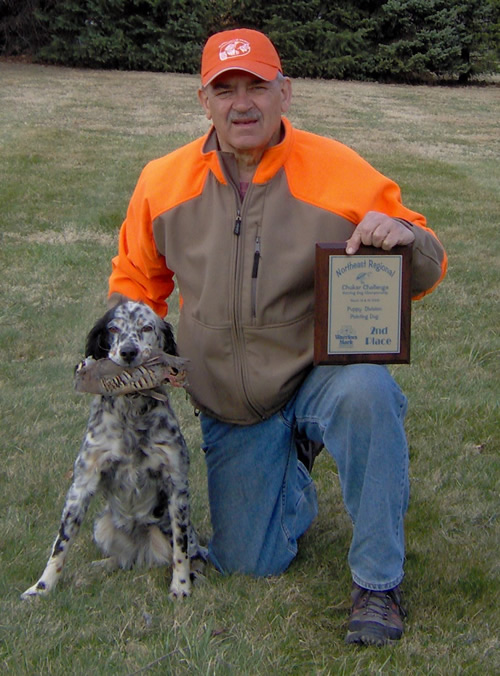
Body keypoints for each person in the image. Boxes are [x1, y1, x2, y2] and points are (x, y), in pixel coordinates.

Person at [108, 28, 447, 646]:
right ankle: (290, 461)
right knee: (250, 563)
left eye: (257, 86)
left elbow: (424, 264)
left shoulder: (336, 167)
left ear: (284, 92)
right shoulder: (162, 181)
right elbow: (136, 281)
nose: (243, 103)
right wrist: (127, 364)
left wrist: (402, 234)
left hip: (318, 371)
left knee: (369, 393)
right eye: (225, 89)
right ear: (203, 101)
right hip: (231, 404)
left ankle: (377, 582)